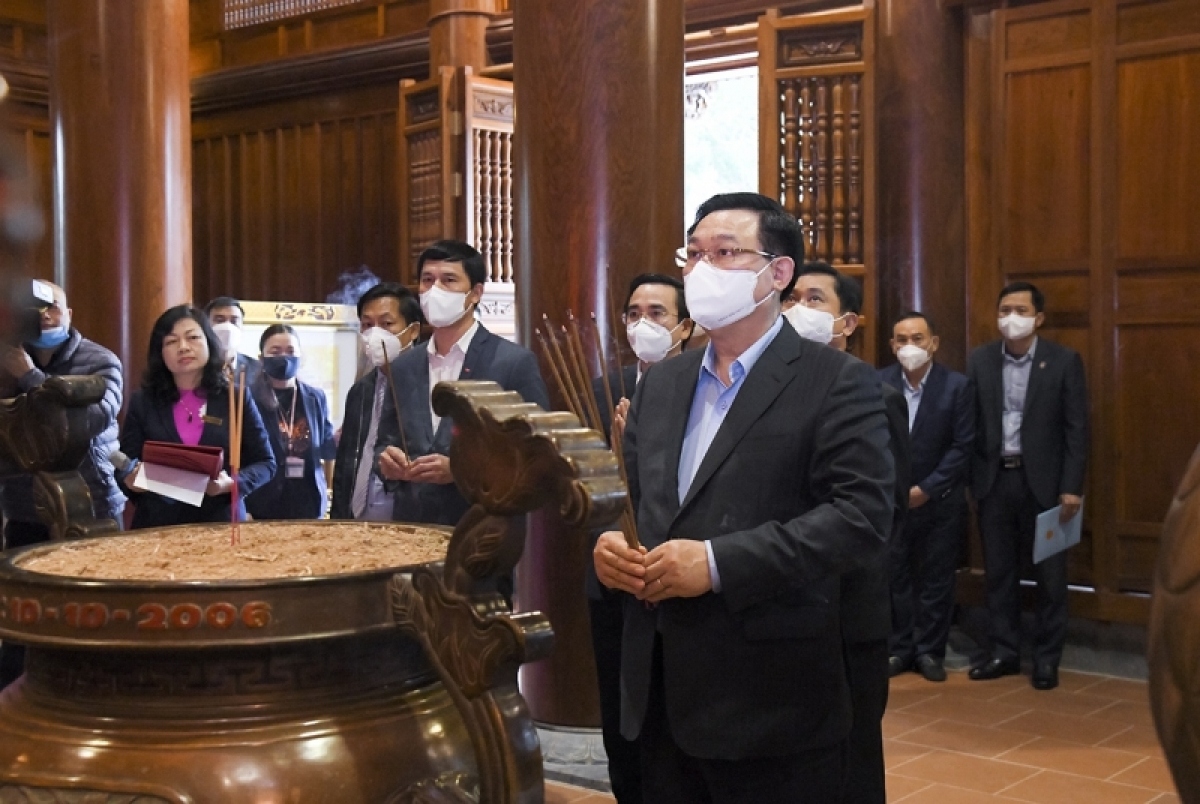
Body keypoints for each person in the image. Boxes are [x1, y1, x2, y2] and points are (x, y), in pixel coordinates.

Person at [594, 193, 893, 802]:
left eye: (725, 253)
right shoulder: (664, 383)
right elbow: (636, 499)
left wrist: (714, 563)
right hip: (658, 688)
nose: (702, 269)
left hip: (768, 699)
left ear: (777, 274)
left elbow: (859, 518)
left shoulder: (836, 381)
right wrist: (607, 545)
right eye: (694, 254)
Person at [785, 260, 910, 804]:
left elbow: (882, 511)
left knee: (854, 754)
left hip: (849, 603)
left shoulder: (876, 395)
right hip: (785, 596)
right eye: (790, 299)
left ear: (849, 322)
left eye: (814, 300)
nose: (797, 311)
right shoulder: (775, 394)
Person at [588, 272, 693, 804]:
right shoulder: (605, 383)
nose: (643, 324)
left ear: (685, 325)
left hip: (681, 576)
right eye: (633, 314)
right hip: (618, 575)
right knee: (624, 721)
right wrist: (614, 452)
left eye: (657, 313)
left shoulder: (701, 386)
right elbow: (585, 485)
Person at [967, 281, 1088, 691]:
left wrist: (1072, 486)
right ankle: (1004, 651)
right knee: (999, 572)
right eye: (1004, 310)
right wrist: (972, 480)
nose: (1010, 318)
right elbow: (971, 425)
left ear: (1038, 318)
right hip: (995, 480)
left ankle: (1047, 659)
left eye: (1020, 310)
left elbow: (1077, 430)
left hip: (1047, 486)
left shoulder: (1063, 361)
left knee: (1050, 576)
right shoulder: (981, 360)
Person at [376, 240, 548, 526]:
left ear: (475, 293)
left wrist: (461, 471)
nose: (435, 290)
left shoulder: (512, 362)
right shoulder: (403, 366)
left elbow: (536, 453)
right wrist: (388, 462)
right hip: (412, 528)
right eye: (427, 280)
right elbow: (385, 441)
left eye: (449, 280)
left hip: (482, 530)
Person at [119, 305, 275, 529]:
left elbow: (265, 463)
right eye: (171, 342)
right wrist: (130, 480)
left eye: (192, 338)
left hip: (220, 524)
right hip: (158, 526)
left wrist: (231, 484)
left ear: (209, 343)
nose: (183, 347)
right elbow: (125, 464)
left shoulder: (235, 397)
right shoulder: (144, 401)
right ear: (160, 352)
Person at [880, 312, 973, 683]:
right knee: (894, 576)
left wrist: (928, 488)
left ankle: (930, 651)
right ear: (892, 346)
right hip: (893, 500)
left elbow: (963, 446)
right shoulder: (878, 382)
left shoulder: (957, 387)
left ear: (933, 343)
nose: (909, 347)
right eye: (901, 340)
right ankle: (899, 648)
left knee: (936, 579)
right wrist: (896, 488)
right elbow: (873, 440)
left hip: (940, 500)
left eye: (918, 339)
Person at [0, 280, 125, 546]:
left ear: (69, 314)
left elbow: (94, 418)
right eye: (33, 308)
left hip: (90, 499)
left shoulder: (101, 360)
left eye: (52, 307)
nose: (43, 314)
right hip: (24, 506)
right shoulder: (6, 361)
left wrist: (30, 377)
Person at [330, 282, 423, 521]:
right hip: (357, 521)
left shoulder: (429, 383)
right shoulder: (360, 390)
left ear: (412, 331)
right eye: (367, 325)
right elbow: (345, 464)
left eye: (387, 324)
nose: (375, 333)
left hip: (409, 521)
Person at [245, 324, 337, 520]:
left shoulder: (315, 397)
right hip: (263, 502)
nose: (284, 357)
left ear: (300, 356)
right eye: (275, 351)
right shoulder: (248, 397)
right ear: (261, 358)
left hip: (308, 501)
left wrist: (340, 440)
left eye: (290, 351)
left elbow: (325, 446)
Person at [205, 296, 261, 386]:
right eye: (220, 320)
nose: (228, 327)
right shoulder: (198, 366)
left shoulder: (257, 369)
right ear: (206, 326)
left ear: (242, 327)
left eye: (234, 321)